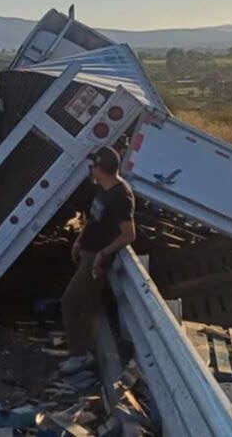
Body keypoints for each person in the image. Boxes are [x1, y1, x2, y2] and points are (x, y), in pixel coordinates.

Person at [60, 147, 136, 370]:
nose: (90, 170)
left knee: (69, 301)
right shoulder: (103, 190)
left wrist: (103, 253)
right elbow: (94, 220)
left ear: (100, 169)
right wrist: (79, 241)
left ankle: (78, 355)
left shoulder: (120, 195)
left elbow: (129, 234)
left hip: (96, 259)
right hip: (87, 253)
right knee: (88, 303)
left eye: (93, 166)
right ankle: (86, 348)